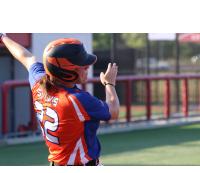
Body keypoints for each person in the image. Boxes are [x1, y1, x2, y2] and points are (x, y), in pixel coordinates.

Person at [0, 33, 120, 166]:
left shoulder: (39, 83)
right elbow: (113, 111)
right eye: (83, 67)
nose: (87, 68)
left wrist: (2, 37)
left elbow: (26, 56)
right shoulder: (77, 100)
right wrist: (109, 84)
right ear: (67, 72)